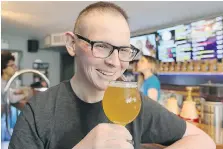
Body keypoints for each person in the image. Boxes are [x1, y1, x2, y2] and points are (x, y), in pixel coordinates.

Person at [9, 2, 215, 149]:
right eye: (101, 46)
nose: (115, 63)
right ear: (72, 44)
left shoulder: (133, 104)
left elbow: (203, 140)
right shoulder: (38, 112)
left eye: (123, 50)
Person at [1, 51, 29, 141]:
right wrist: (24, 94)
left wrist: (19, 91)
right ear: (4, 68)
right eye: (12, 65)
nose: (15, 67)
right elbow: (11, 98)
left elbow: (10, 92)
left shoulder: (6, 82)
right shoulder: (1, 82)